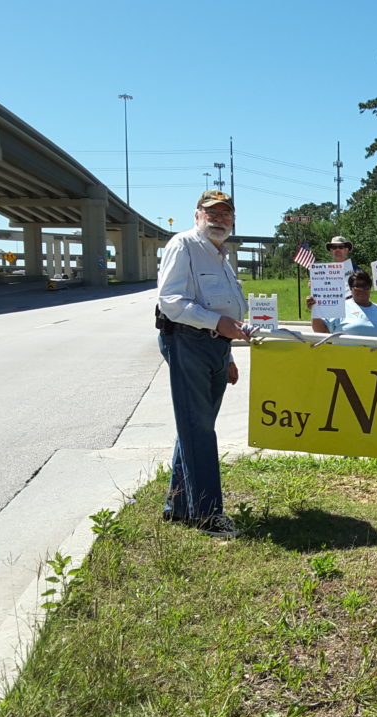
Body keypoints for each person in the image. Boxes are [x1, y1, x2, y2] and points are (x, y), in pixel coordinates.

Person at [156, 190, 249, 538]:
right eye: (212, 212)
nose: (219, 218)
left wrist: (228, 353)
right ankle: (208, 515)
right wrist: (218, 326)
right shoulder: (184, 245)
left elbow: (225, 309)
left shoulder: (221, 256)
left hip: (215, 347)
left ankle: (179, 507)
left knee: (196, 426)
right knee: (199, 429)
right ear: (197, 215)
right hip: (187, 342)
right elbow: (170, 301)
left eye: (226, 214)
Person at [309, 270, 377, 337]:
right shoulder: (340, 307)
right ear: (351, 288)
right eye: (357, 286)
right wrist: (315, 310)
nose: (361, 289)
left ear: (370, 288)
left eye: (365, 285)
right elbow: (321, 331)